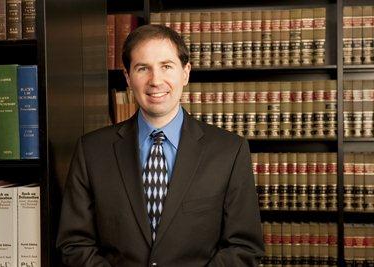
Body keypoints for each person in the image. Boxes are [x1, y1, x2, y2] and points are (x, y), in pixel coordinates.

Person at [56, 24, 264, 266]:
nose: (155, 81)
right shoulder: (91, 151)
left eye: (166, 66)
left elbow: (244, 247)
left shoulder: (229, 151)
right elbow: (74, 244)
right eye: (143, 68)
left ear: (185, 73)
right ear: (127, 77)